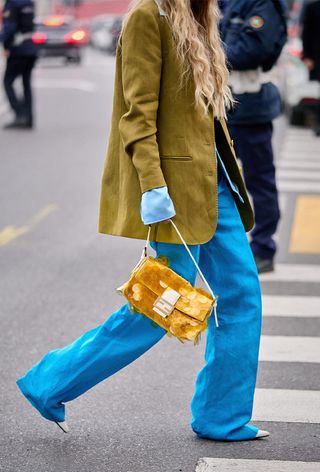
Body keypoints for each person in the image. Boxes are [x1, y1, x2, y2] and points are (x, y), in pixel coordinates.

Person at [16, 0, 269, 442]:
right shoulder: (148, 16)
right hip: (175, 190)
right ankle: (51, 382)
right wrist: (153, 186)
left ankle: (221, 415)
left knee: (242, 297)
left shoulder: (200, 16)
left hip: (215, 185)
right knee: (157, 307)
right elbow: (137, 115)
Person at [220, 0, 287, 273]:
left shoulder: (263, 4)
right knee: (217, 179)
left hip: (251, 107)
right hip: (223, 106)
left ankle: (263, 247)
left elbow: (253, 49)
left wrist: (207, 53)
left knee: (259, 180)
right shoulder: (227, 2)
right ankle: (228, 246)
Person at [1, 0, 37, 129]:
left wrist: (5, 45)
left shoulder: (12, 3)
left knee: (7, 82)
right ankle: (29, 117)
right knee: (26, 83)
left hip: (18, 50)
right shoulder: (29, 3)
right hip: (31, 48)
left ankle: (20, 115)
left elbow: (9, 28)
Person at [302, 0, 320, 136]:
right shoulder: (312, 7)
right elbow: (306, 33)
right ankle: (318, 123)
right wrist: (307, 56)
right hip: (316, 56)